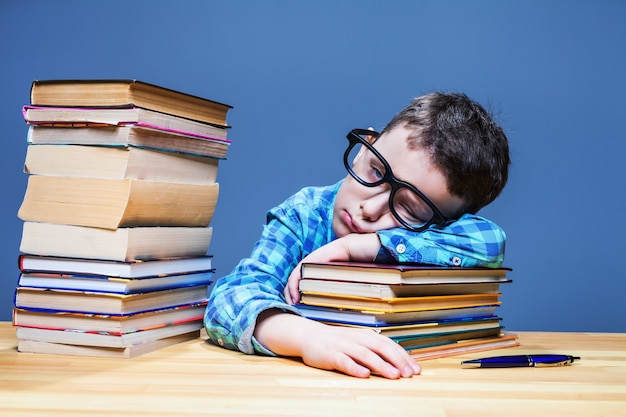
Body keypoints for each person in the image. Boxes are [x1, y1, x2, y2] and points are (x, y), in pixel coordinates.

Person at [204, 92, 510, 379]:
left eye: (409, 209)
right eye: (376, 172)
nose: (370, 208)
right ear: (365, 147)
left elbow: (490, 241)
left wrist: (364, 245)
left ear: (447, 220)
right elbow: (232, 298)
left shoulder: (442, 232)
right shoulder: (304, 214)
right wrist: (309, 337)